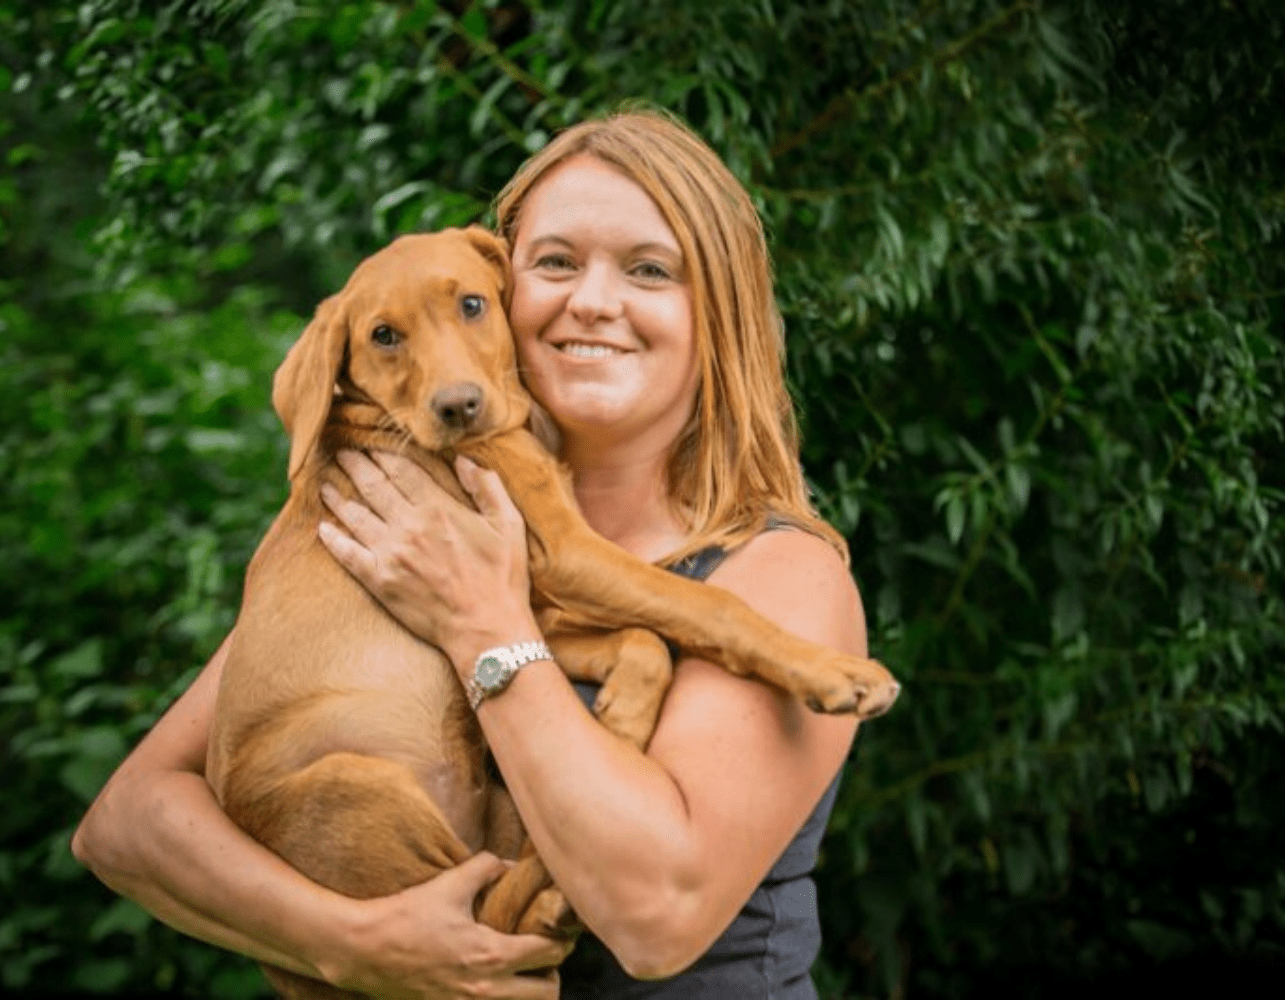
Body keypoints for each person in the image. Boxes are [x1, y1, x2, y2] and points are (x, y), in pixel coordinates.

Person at [73, 108, 867, 1000]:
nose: (592, 300)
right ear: (510, 282)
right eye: (557, 262)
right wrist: (351, 942)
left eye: (649, 270)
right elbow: (124, 824)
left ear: (716, 313)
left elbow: (656, 920)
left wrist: (481, 621)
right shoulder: (392, 530)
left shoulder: (781, 573)